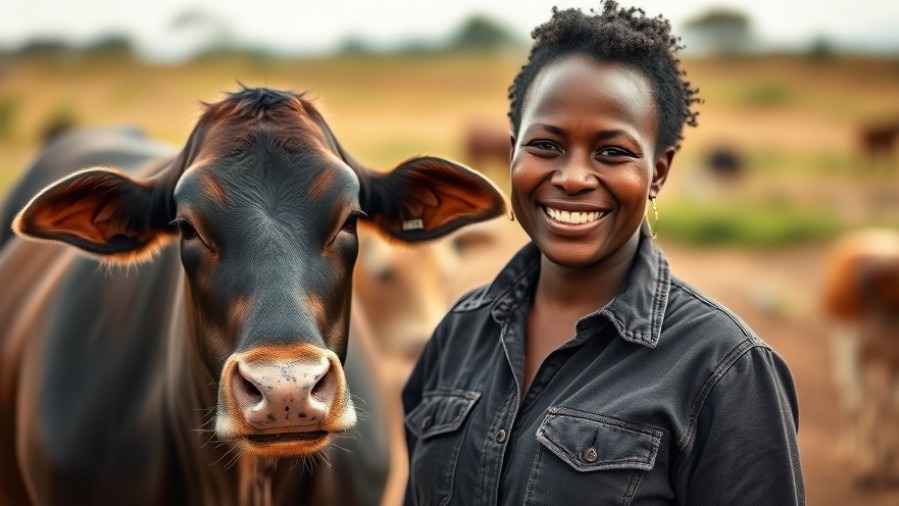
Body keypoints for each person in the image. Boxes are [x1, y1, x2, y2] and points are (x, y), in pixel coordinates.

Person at [401, 2, 805, 505]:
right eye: (546, 145)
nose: (572, 177)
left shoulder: (725, 368)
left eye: (612, 152)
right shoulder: (458, 333)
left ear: (658, 172)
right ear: (512, 153)